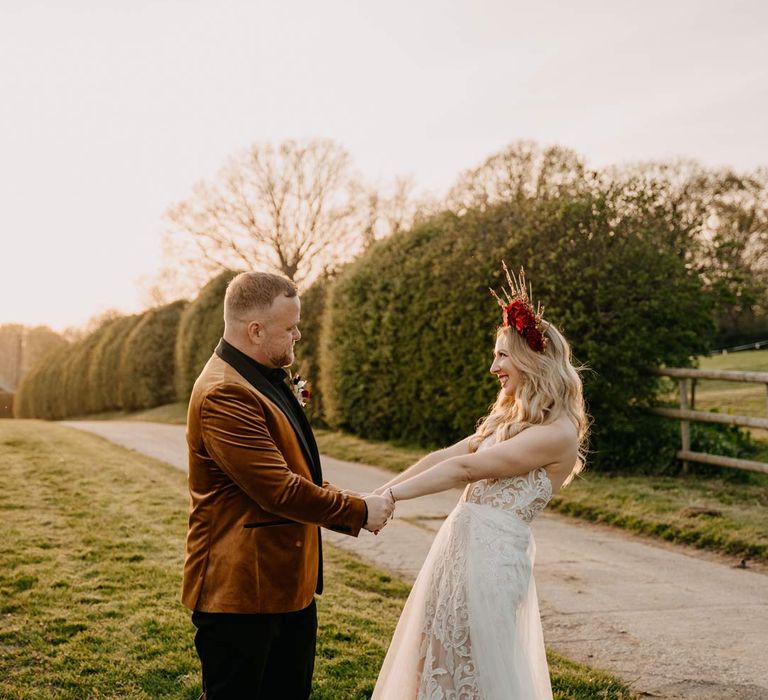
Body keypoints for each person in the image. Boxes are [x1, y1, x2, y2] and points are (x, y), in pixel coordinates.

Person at [372, 264, 589, 699]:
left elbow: (467, 470)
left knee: (476, 667)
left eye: (502, 355)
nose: (494, 367)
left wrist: (393, 497)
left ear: (531, 359)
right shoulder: (508, 419)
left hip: (492, 561)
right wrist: (376, 496)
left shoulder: (558, 433)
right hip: (455, 549)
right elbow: (448, 456)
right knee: (431, 658)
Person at [181, 271, 394, 700]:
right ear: (254, 330)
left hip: (285, 588)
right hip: (240, 594)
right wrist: (359, 511)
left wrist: (354, 499)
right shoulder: (225, 393)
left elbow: (299, 473)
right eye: (290, 327)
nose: (298, 334)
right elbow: (278, 489)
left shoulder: (261, 376)